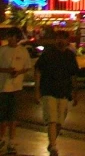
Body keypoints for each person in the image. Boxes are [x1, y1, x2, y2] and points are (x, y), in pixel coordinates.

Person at [34, 29, 79, 156]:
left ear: (67, 41)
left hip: (64, 92)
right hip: (49, 91)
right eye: (58, 38)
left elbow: (73, 75)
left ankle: (52, 141)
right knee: (52, 120)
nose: (61, 41)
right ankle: (53, 146)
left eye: (63, 38)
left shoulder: (70, 56)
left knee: (59, 121)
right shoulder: (48, 54)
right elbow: (38, 70)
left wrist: (75, 93)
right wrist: (37, 90)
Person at [0, 27, 32, 155]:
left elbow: (27, 67)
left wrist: (18, 72)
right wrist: (6, 71)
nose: (10, 39)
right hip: (2, 88)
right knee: (2, 117)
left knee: (13, 116)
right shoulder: (2, 51)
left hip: (16, 88)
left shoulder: (23, 51)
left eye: (13, 37)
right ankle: (1, 138)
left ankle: (11, 141)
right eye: (9, 36)